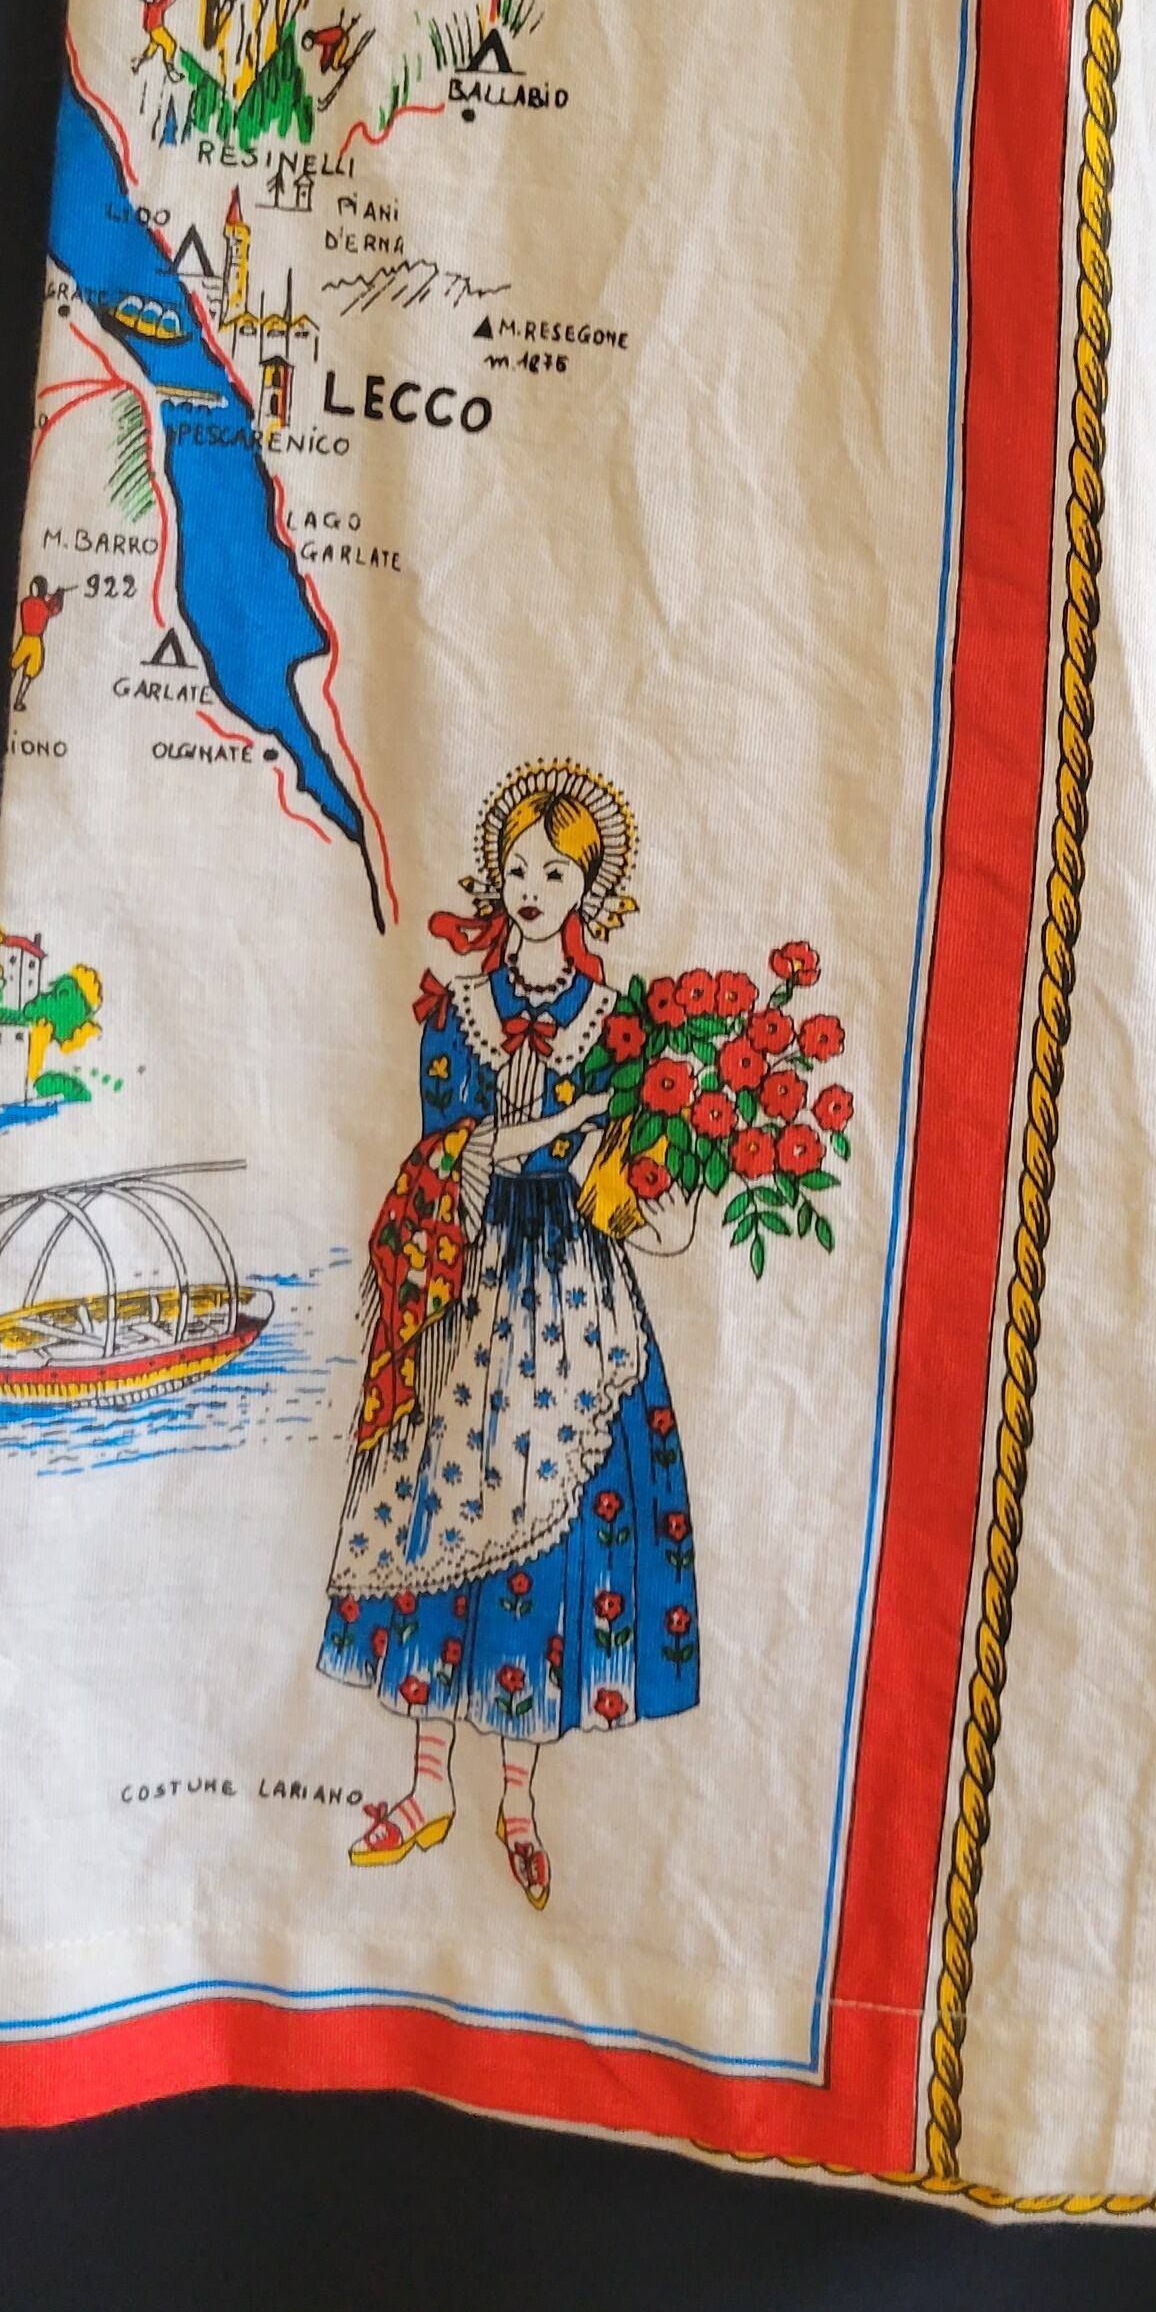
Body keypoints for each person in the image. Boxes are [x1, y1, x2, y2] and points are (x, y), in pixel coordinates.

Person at [320, 761, 698, 1908]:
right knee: (437, 1522)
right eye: (520, 868)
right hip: (467, 1282)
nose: (534, 888)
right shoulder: (456, 1004)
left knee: (550, 1538)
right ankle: (427, 1785)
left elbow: (638, 1172)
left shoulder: (620, 1022)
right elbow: (444, 1147)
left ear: (589, 890)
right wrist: (555, 1125)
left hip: (575, 1294)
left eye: (557, 873)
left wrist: (636, 1164)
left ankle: (518, 1805)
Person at [9, 576, 64, 713]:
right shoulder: (42, 606)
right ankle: (18, 700)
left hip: (24, 639)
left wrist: (51, 598)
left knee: (13, 665)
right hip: (35, 642)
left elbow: (44, 606)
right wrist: (59, 597)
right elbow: (53, 610)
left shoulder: (25, 602)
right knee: (30, 672)